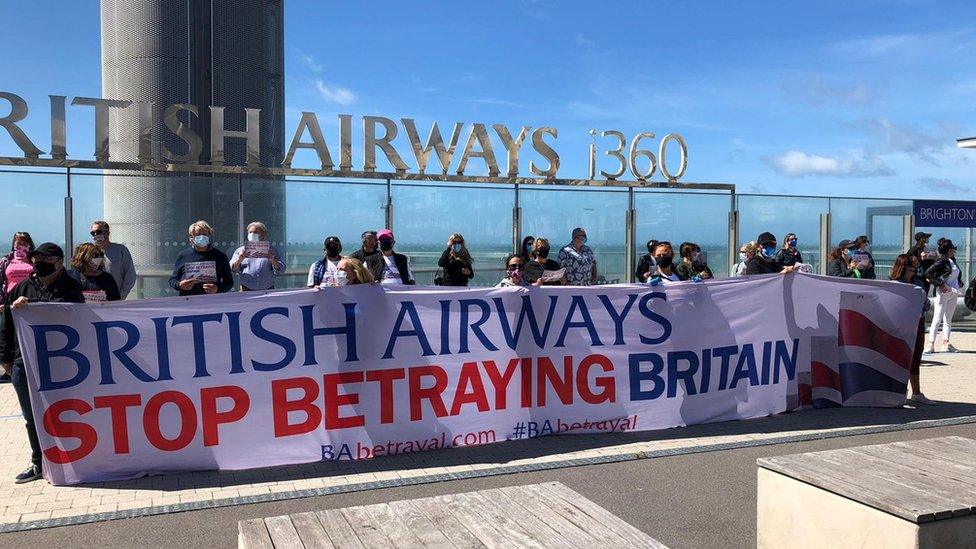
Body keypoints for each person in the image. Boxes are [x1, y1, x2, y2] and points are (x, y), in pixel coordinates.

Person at [0, 242, 84, 483]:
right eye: (36, 260)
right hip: (23, 361)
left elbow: (77, 318)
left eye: (45, 261)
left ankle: (71, 457)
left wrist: (36, 308)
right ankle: (38, 461)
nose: (39, 265)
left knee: (64, 412)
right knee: (31, 416)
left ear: (58, 263)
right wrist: (5, 357)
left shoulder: (71, 288)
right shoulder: (22, 286)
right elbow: (6, 322)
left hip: (61, 363)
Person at [890, 254, 933, 405]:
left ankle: (916, 392)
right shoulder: (894, 285)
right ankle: (897, 391)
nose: (916, 269)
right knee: (898, 356)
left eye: (916, 266)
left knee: (916, 355)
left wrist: (922, 299)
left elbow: (926, 305)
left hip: (918, 321)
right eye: (913, 266)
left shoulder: (918, 283)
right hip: (900, 323)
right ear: (904, 267)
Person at [0, 232, 34, 383]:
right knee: (8, 335)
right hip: (8, 302)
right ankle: (9, 369)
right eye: (17, 242)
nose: (20, 245)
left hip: (28, 302)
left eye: (24, 242)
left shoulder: (33, 258)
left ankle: (28, 367)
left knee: (26, 335)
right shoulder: (7, 260)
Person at [168, 220, 234, 296]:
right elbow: (173, 279)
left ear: (209, 235)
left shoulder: (220, 256)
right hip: (188, 301)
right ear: (191, 237)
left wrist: (217, 289)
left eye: (205, 234)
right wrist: (180, 285)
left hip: (212, 302)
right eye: (198, 234)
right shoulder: (183, 255)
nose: (202, 237)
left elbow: (229, 282)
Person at [923, 238, 963, 353]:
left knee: (948, 319)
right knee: (937, 318)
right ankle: (930, 344)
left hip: (953, 292)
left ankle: (946, 343)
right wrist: (940, 284)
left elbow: (956, 274)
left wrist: (960, 282)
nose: (953, 251)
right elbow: (928, 273)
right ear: (947, 250)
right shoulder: (942, 261)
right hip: (942, 293)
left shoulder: (952, 260)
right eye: (952, 249)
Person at [90, 220, 137, 300]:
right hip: (94, 301)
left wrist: (120, 297)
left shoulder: (120, 250)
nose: (95, 235)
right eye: (93, 233)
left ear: (107, 233)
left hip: (115, 300)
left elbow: (130, 275)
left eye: (98, 232)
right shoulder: (89, 252)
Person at [231, 221, 284, 291]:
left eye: (256, 233)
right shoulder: (240, 251)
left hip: (267, 290)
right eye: (250, 232)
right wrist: (240, 259)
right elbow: (232, 269)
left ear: (264, 235)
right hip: (246, 290)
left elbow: (281, 269)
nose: (252, 234)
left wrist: (272, 259)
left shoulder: (272, 251)